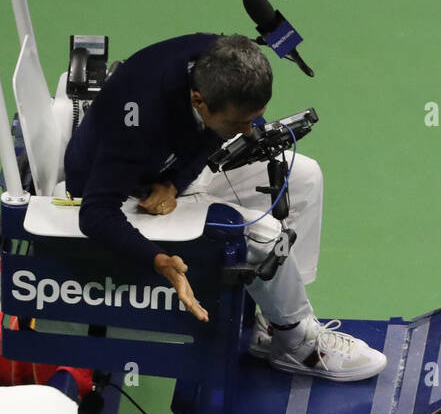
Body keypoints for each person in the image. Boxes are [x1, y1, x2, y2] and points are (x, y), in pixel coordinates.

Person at [63, 33, 386, 381]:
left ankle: (282, 323)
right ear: (199, 102)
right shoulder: (138, 118)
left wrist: (175, 183)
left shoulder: (216, 58)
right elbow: (95, 212)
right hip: (123, 195)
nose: (248, 131)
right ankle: (298, 345)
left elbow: (214, 135)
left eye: (255, 118)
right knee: (262, 235)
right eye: (238, 123)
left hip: (167, 171)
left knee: (303, 176)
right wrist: (158, 260)